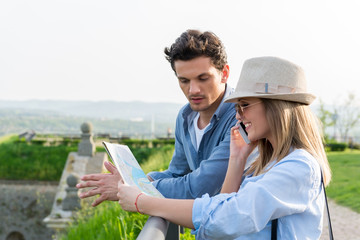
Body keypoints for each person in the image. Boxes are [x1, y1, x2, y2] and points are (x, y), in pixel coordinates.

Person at [117, 56, 332, 239]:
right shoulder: (267, 164)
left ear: (277, 108)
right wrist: (237, 159)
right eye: (237, 107)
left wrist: (143, 202)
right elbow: (221, 222)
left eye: (245, 105)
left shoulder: (300, 166)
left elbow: (227, 216)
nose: (238, 115)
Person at [77, 29, 254, 205]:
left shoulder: (243, 116)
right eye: (184, 80)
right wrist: (134, 182)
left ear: (224, 73)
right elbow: (177, 173)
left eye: (203, 78)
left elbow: (201, 187)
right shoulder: (185, 117)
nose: (193, 90)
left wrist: (135, 188)